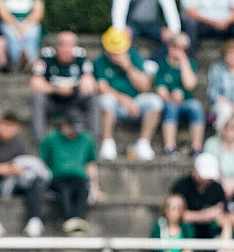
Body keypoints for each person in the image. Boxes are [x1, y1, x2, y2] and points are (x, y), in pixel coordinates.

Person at [0, 112, 50, 237]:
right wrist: (3, 168)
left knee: (36, 181)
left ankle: (35, 220)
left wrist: (17, 171)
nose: (5, 129)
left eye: (10, 126)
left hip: (14, 183)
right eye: (4, 125)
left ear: (16, 129)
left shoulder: (19, 145)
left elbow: (22, 166)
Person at [95, 26, 163, 161]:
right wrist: (124, 99)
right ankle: (107, 143)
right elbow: (102, 88)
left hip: (136, 103)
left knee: (155, 101)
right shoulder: (100, 61)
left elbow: (144, 86)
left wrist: (128, 67)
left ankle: (143, 143)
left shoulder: (134, 57)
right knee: (105, 100)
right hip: (116, 104)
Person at [39, 114, 105, 235]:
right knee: (65, 189)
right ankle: (70, 220)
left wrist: (96, 188)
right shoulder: (50, 139)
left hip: (78, 178)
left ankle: (77, 220)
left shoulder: (87, 139)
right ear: (64, 125)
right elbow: (43, 163)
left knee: (81, 188)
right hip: (57, 178)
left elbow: (90, 165)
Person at [29, 31, 97, 145]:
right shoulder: (47, 56)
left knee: (94, 98)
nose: (67, 49)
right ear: (57, 46)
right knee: (37, 97)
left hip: (74, 102)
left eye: (70, 45)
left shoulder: (81, 56)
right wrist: (56, 89)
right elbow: (34, 83)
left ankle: (93, 141)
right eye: (63, 45)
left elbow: (92, 84)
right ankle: (39, 141)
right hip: (53, 102)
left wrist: (86, 80)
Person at [156, 33, 204, 157]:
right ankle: (169, 148)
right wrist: (171, 97)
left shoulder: (190, 64)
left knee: (196, 107)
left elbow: (190, 85)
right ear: (170, 47)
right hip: (169, 103)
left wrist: (183, 62)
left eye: (183, 49)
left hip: (187, 103)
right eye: (176, 47)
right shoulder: (162, 65)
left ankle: (196, 148)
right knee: (171, 108)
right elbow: (160, 91)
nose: (179, 51)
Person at [171, 152, 225, 239]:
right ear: (196, 171)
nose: (207, 180)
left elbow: (219, 212)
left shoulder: (217, 188)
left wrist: (192, 216)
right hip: (185, 233)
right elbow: (177, 214)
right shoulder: (181, 186)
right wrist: (205, 215)